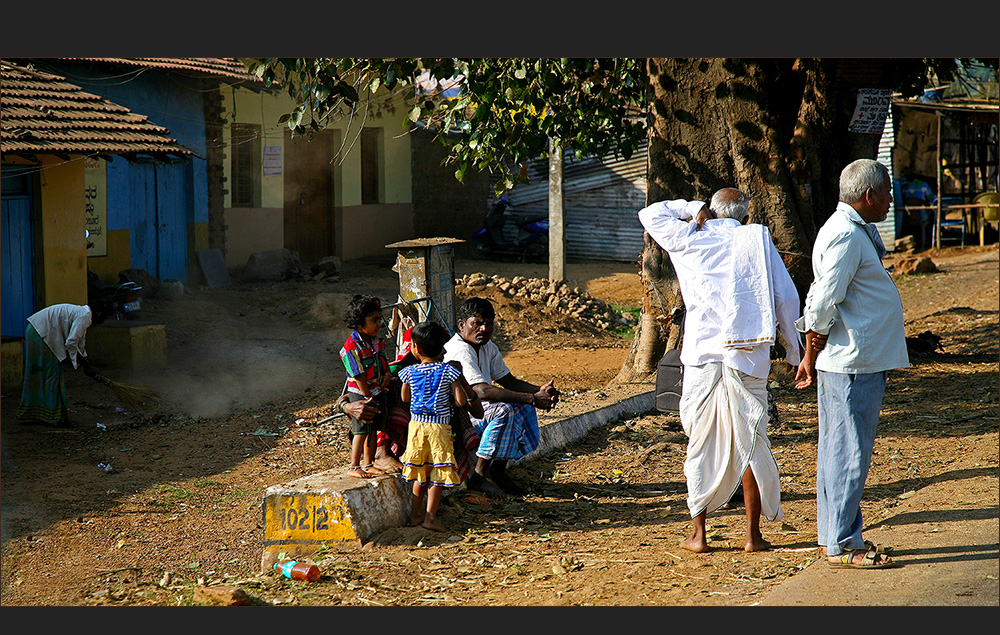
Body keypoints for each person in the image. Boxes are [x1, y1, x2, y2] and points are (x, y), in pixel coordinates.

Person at [638, 188, 803, 553]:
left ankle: (698, 536)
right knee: (751, 442)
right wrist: (794, 352)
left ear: (711, 211)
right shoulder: (756, 239)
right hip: (748, 355)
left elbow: (649, 214)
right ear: (746, 215)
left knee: (699, 442)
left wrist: (690, 208)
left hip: (702, 356)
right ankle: (752, 536)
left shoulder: (690, 236)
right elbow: (787, 299)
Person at [794, 158, 909, 569]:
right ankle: (842, 543)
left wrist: (812, 351)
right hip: (852, 363)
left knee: (838, 450)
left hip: (852, 359)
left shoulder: (852, 229)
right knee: (850, 453)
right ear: (869, 195)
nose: (892, 199)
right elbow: (823, 299)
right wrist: (811, 348)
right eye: (889, 192)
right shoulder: (845, 234)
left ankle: (836, 535)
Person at [444, 297, 560, 498]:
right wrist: (532, 398)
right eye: (477, 323)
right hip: (458, 417)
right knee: (504, 410)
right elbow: (481, 391)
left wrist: (541, 391)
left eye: (488, 324)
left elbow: (510, 382)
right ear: (462, 325)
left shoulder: (488, 347)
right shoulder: (459, 349)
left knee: (521, 404)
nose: (483, 329)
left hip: (477, 411)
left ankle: (498, 471)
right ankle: (479, 474)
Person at [397, 321, 484, 532]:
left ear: (415, 348)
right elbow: (461, 401)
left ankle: (415, 514)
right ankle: (430, 517)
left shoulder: (409, 372)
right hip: (439, 428)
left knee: (419, 472)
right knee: (437, 474)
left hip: (416, 427)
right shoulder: (448, 372)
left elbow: (405, 397)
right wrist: (453, 400)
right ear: (442, 348)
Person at [17, 301, 114, 427]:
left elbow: (79, 344)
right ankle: (53, 417)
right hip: (40, 333)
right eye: (104, 317)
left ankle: (41, 414)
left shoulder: (84, 315)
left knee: (42, 373)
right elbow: (71, 342)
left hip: (35, 330)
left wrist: (87, 365)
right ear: (98, 313)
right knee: (52, 374)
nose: (103, 321)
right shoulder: (84, 316)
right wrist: (87, 366)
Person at [339, 294, 391, 478]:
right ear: (359, 323)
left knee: (373, 428)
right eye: (374, 320)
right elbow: (358, 374)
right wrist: (367, 394)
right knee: (360, 429)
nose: (379, 324)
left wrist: (386, 376)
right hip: (360, 392)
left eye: (379, 319)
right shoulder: (351, 346)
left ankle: (368, 463)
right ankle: (354, 466)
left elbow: (384, 363)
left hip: (375, 389)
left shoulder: (377, 341)